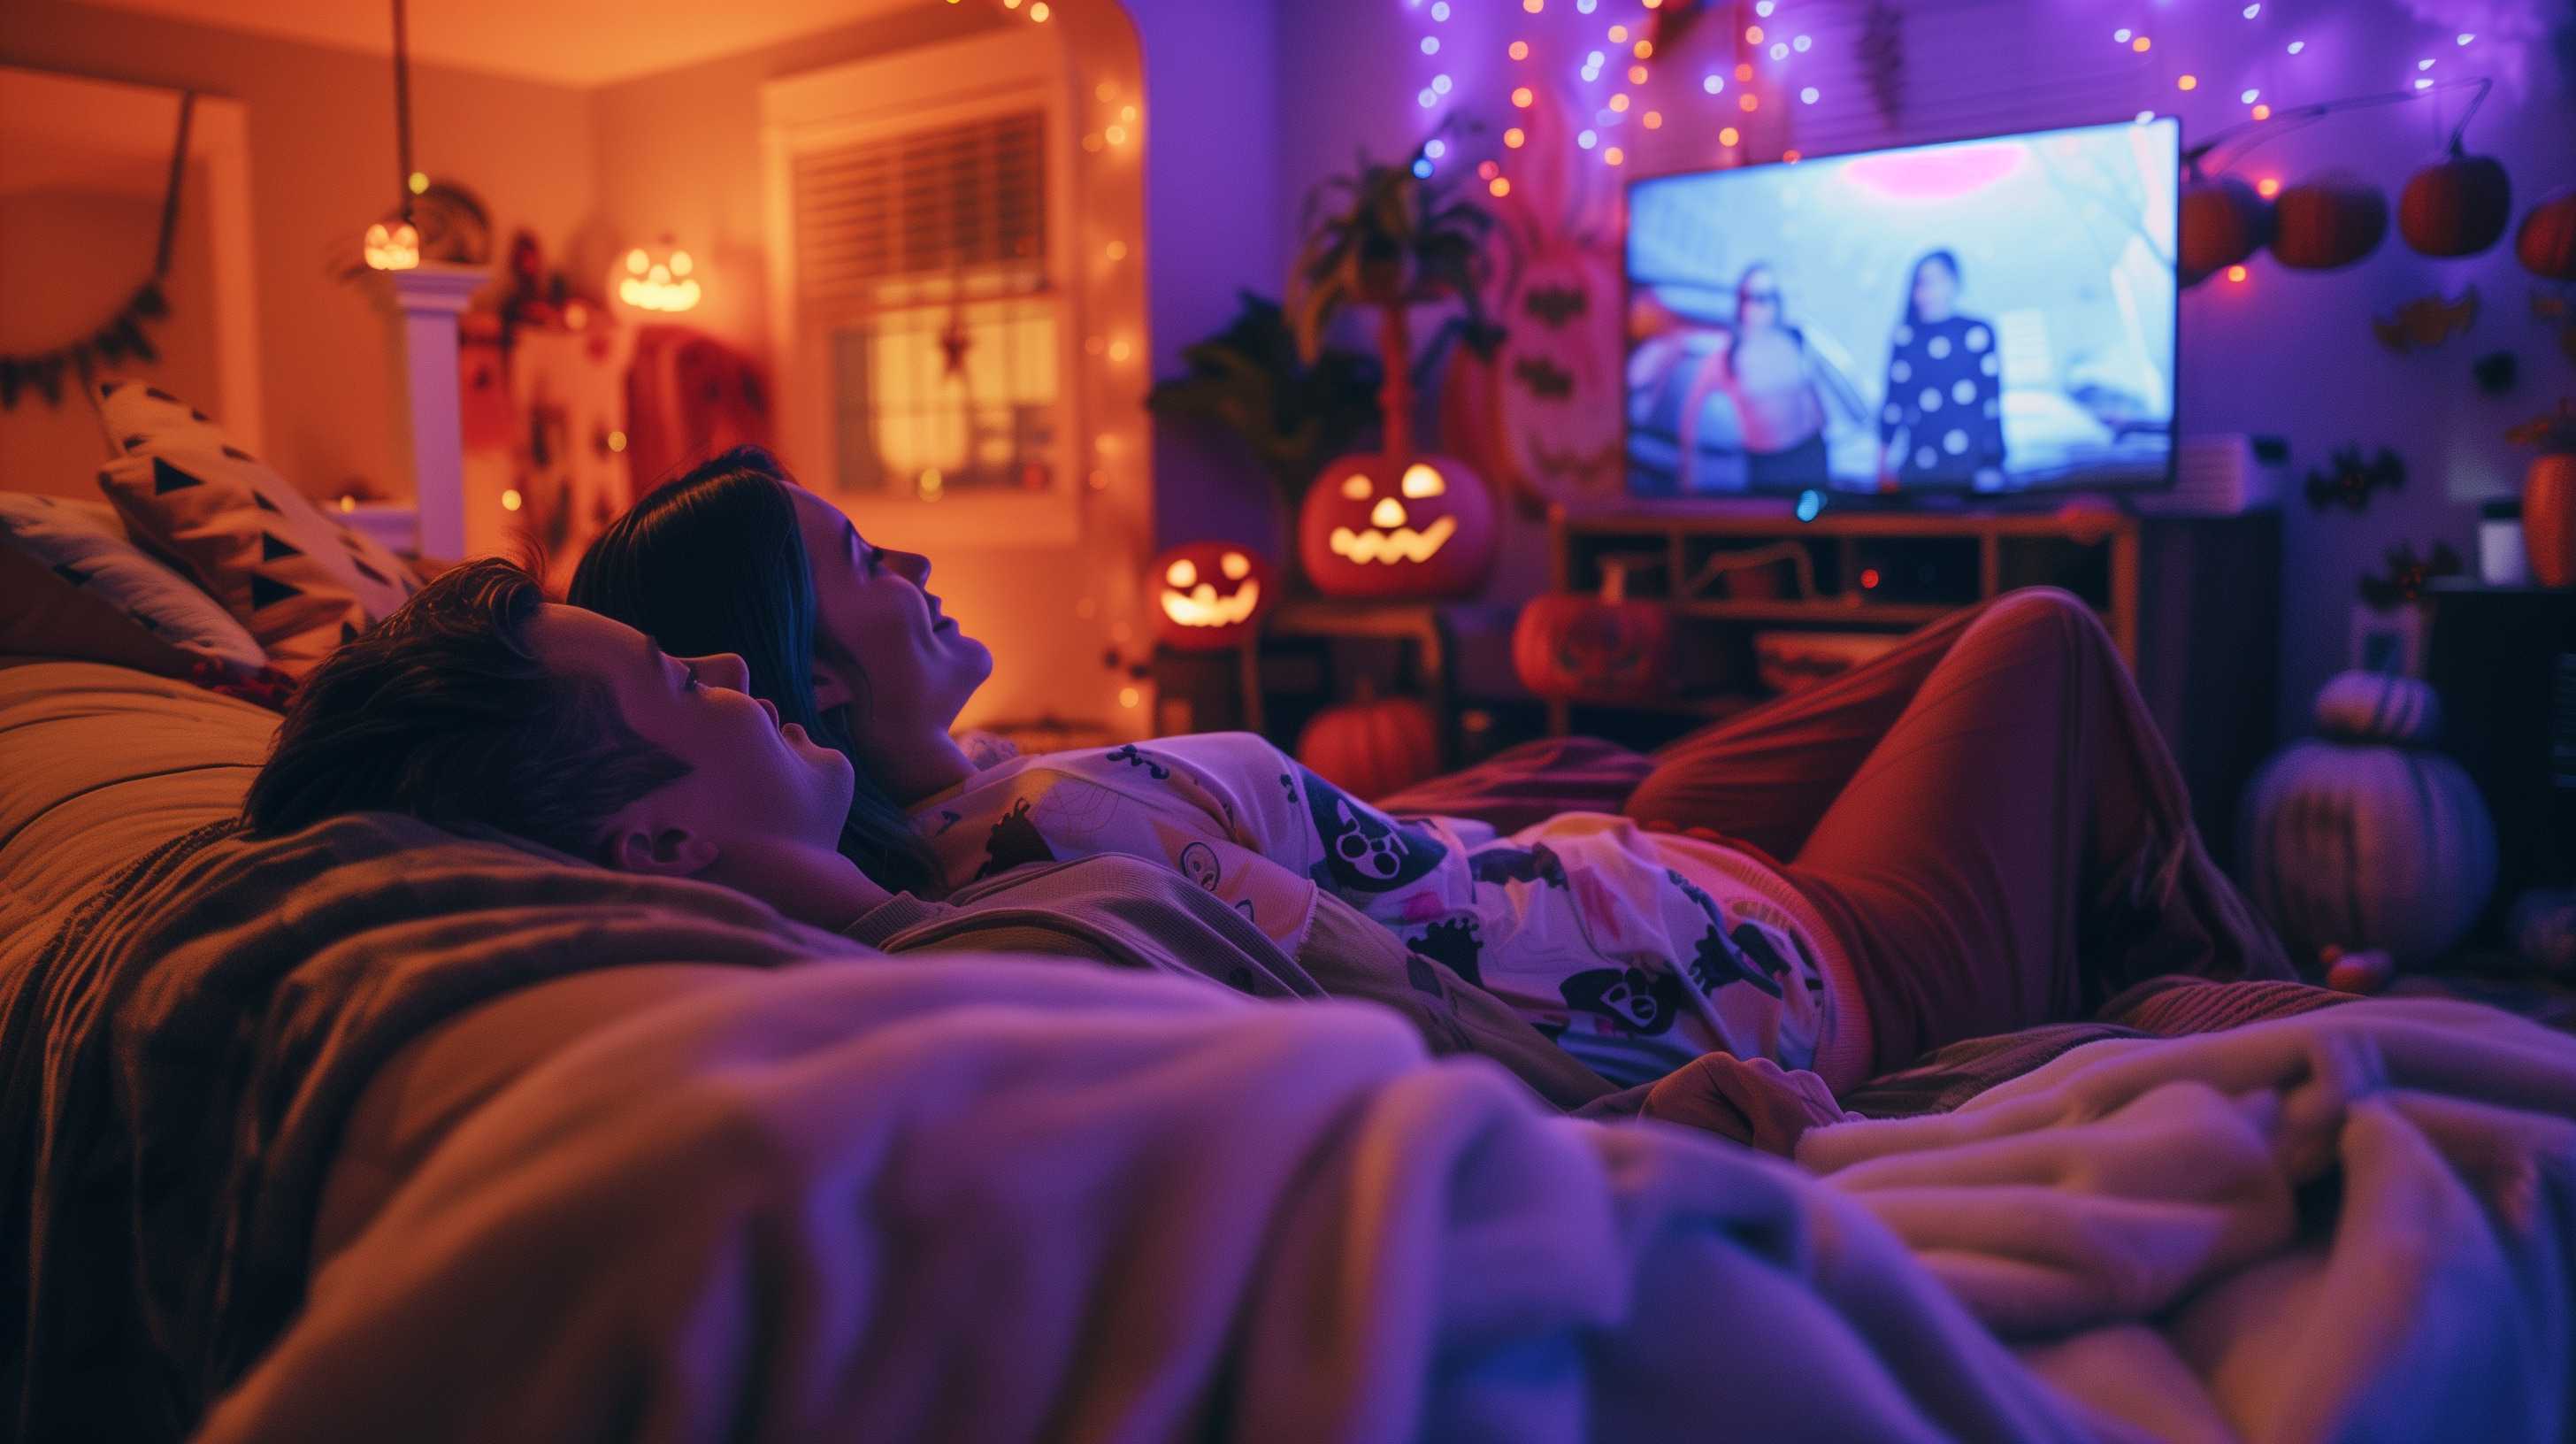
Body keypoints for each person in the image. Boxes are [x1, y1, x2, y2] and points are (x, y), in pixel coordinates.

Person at [572, 449, 2293, 1093]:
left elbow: (1360, 895)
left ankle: (2163, 946)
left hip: (1623, 858)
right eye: (873, 563)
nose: (921, 570)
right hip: (1790, 969)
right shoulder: (1060, 848)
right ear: (809, 681)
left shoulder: (989, 795)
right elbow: (1408, 1011)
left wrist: (1458, 815)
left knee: (1662, 719)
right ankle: (2228, 976)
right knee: (2041, 630)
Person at [242, 558, 1617, 1109]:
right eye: (675, 681)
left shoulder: (983, 914)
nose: (733, 666)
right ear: (659, 849)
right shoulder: (1034, 975)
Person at [1673, 265, 1867, 492]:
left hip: (1810, 456)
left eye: (1769, 297)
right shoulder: (1726, 357)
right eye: (1754, 297)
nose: (1762, 306)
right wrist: (1688, 474)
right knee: (1770, 526)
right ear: (1741, 303)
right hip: (1768, 467)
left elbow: (1833, 385)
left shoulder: (1797, 339)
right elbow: (1690, 417)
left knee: (1815, 524)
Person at [1878, 249, 2006, 488]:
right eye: (1922, 282)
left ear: (1954, 283)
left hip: (1970, 465)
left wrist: (1992, 463)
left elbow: (1991, 404)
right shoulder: (1905, 336)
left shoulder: (1977, 332)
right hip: (1919, 465)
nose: (1930, 290)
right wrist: (1882, 463)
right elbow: (1893, 405)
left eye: (1938, 280)